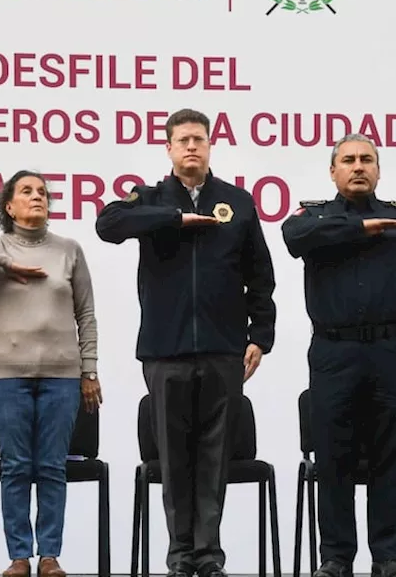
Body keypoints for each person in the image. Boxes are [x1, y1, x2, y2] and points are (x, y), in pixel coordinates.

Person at [94, 108, 277, 577]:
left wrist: (261, 335)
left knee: (215, 454)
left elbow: (260, 275)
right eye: (183, 140)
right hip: (165, 348)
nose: (192, 147)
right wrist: (175, 218)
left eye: (199, 139)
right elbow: (107, 224)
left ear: (210, 145)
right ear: (169, 148)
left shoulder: (236, 202)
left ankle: (209, 553)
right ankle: (180, 553)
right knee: (174, 457)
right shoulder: (148, 198)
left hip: (223, 348)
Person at [281, 134, 396, 577]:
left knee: (390, 456)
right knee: (332, 457)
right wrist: (359, 229)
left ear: (378, 170)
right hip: (334, 350)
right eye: (348, 160)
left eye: (366, 160)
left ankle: (389, 557)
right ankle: (335, 557)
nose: (358, 167)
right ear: (332, 171)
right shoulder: (313, 218)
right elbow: (292, 238)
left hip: (391, 351)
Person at [0, 170, 102, 577]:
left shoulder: (69, 250)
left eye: (43, 193)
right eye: (26, 192)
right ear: (8, 206)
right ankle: (18, 556)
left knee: (51, 466)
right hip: (6, 376)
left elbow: (86, 314)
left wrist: (90, 370)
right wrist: (3, 262)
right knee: (15, 466)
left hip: (62, 377)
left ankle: (49, 555)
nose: (37, 197)